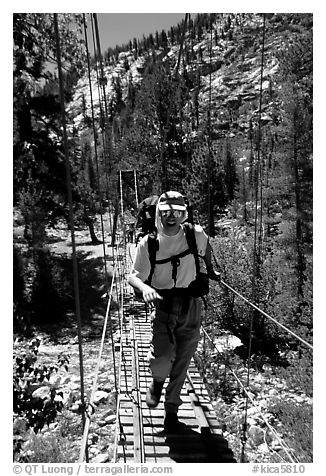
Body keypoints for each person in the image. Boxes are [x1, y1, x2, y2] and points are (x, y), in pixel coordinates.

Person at [128, 191, 221, 433]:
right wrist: (145, 287)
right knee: (162, 357)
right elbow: (133, 277)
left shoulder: (194, 234)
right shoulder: (148, 244)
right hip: (163, 303)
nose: (171, 217)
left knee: (182, 360)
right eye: (166, 212)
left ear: (184, 214)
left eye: (177, 213)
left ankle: (171, 411)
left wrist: (210, 269)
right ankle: (157, 382)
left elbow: (206, 247)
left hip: (190, 303)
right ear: (159, 214)